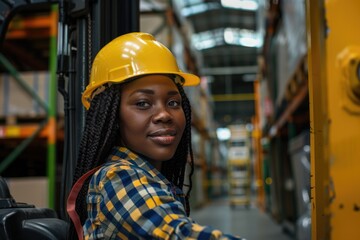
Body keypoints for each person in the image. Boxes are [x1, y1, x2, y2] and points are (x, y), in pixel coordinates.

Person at [67, 32, 244, 240]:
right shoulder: (118, 178)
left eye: (173, 103)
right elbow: (175, 234)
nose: (164, 115)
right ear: (111, 115)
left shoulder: (152, 178)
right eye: (142, 103)